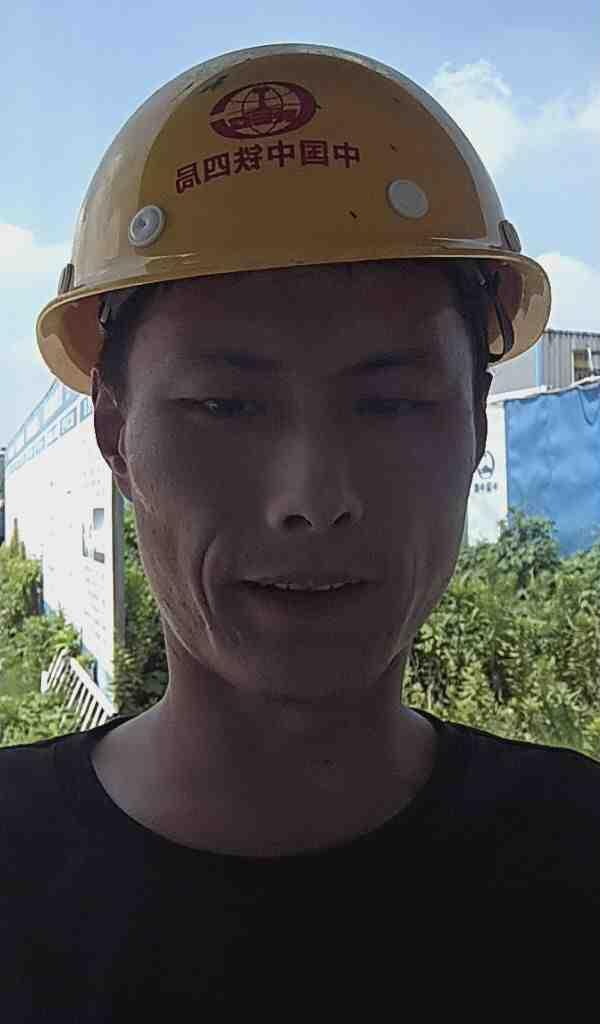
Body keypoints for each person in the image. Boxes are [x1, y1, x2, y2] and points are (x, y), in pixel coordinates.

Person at [1, 43, 598, 1017]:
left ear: (476, 424)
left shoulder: (577, 860)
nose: (314, 498)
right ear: (115, 432)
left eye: (391, 403)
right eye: (226, 406)